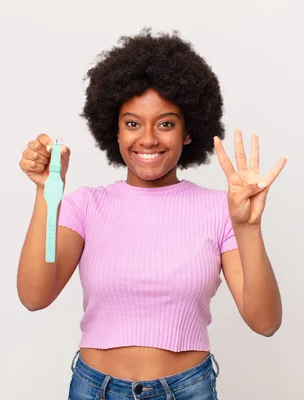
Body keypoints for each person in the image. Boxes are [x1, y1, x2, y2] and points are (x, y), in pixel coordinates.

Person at [17, 28, 287, 400]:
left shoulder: (220, 211)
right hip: (95, 389)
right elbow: (34, 295)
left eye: (165, 123)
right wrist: (48, 192)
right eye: (132, 123)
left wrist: (249, 227)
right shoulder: (85, 206)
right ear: (113, 129)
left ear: (188, 131)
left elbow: (266, 322)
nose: (147, 139)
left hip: (187, 389)